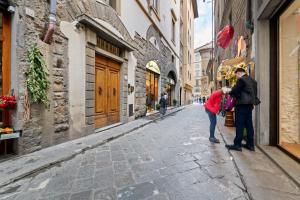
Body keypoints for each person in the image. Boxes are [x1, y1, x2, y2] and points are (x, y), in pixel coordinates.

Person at [225, 67, 258, 151]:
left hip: (241, 105)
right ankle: (250, 145)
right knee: (249, 125)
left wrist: (230, 91)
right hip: (250, 105)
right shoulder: (252, 80)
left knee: (240, 124)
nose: (237, 77)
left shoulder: (241, 80)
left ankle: (237, 145)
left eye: (236, 75)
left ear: (239, 73)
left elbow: (235, 91)